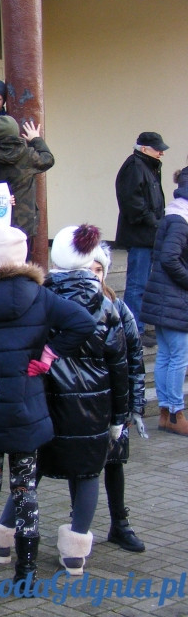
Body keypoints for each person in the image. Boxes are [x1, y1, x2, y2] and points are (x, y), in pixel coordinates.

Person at [0, 223, 95, 592]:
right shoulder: (40, 295)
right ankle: (27, 573)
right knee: (25, 491)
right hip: (25, 412)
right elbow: (83, 322)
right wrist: (48, 355)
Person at [39, 224, 128, 576]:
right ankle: (75, 551)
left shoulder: (40, 298)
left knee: (32, 472)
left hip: (46, 400)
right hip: (94, 406)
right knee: (88, 472)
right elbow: (119, 364)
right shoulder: (107, 305)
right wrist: (119, 417)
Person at [90, 242, 148, 552]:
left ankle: (119, 523)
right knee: (80, 466)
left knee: (115, 463)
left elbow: (135, 357)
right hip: (83, 401)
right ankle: (78, 525)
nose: (94, 275)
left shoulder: (119, 307)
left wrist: (134, 404)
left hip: (113, 399)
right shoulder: (72, 305)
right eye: (89, 269)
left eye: (99, 270)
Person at [140, 166, 188, 435]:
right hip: (173, 298)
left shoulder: (174, 215)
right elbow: (170, 258)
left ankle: (166, 413)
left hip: (164, 297)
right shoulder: (181, 220)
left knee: (168, 356)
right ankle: (174, 414)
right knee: (177, 357)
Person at [115, 131, 168, 347]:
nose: (162, 153)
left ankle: (139, 327)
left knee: (142, 283)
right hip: (140, 236)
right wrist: (152, 220)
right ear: (144, 148)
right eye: (158, 149)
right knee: (137, 284)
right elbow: (131, 201)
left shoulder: (145, 165)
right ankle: (134, 329)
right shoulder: (135, 166)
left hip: (147, 235)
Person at [0, 116, 53, 254]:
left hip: (0, 215)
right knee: (23, 260)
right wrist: (36, 139)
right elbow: (48, 159)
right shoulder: (27, 154)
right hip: (25, 218)